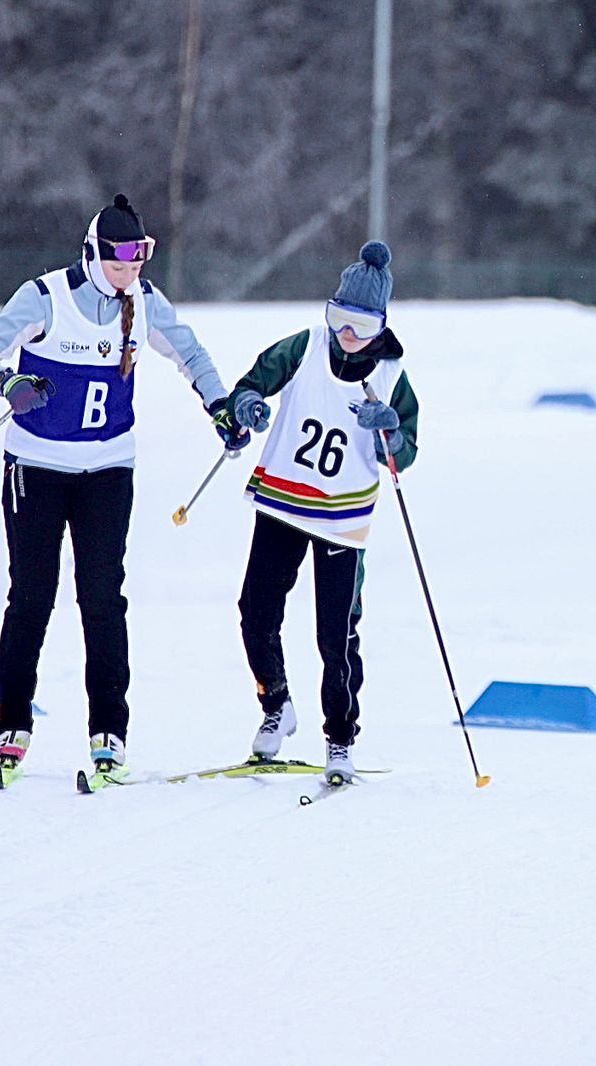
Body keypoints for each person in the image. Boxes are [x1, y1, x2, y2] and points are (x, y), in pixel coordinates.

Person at [0, 194, 248, 788]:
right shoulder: (45, 298)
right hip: (35, 470)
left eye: (138, 263)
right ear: (94, 257)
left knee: (102, 599)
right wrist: (6, 381)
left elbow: (190, 353)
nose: (130, 276)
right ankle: (12, 727)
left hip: (109, 472)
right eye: (120, 265)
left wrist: (219, 404)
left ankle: (109, 733)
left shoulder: (143, 303)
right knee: (32, 597)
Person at [224, 240, 419, 784]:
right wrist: (247, 405)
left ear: (380, 325)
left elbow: (405, 453)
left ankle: (340, 738)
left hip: (343, 518)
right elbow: (255, 381)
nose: (346, 335)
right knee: (255, 611)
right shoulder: (306, 346)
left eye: (359, 325)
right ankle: (276, 704)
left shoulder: (390, 375)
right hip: (282, 500)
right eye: (339, 319)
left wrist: (389, 430)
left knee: (336, 635)